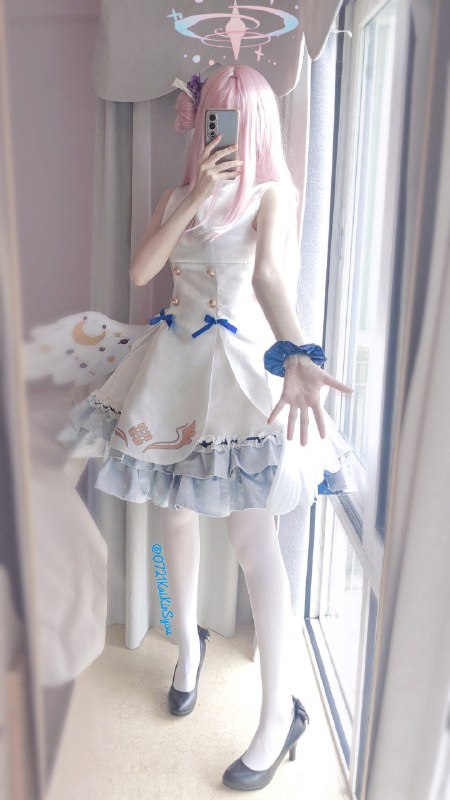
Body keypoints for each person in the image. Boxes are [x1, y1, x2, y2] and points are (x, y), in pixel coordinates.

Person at [24, 64, 354, 790]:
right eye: (209, 116)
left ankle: (280, 713)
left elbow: (270, 278)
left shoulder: (273, 193)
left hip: (239, 374)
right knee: (172, 515)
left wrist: (298, 353)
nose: (216, 130)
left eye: (228, 117)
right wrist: (197, 195)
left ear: (255, 123)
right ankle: (187, 648)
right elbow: (143, 271)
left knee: (252, 538)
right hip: (172, 367)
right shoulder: (179, 196)